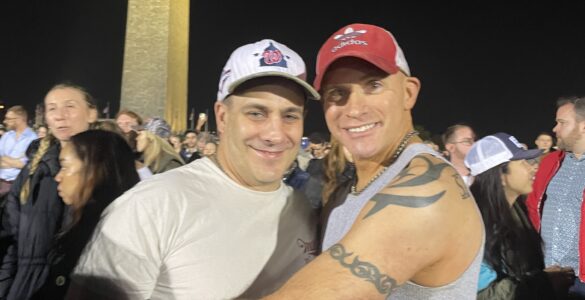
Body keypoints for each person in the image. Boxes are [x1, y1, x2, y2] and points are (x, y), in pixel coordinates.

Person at [68, 39, 320, 299]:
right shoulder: (151, 206)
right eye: (256, 113)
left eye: (290, 116)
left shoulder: (302, 209)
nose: (275, 134)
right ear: (222, 117)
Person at [266, 23, 484, 299]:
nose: (354, 109)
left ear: (408, 92)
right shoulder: (348, 189)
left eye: (374, 85)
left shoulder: (426, 192)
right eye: (337, 93)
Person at [0, 82, 97, 299]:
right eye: (52, 108)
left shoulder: (109, 170)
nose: (60, 116)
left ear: (92, 113)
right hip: (26, 290)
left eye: (70, 106)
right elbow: (10, 238)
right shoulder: (33, 170)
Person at [465, 132, 575, 299]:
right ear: (501, 176)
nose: (533, 167)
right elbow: (481, 294)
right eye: (523, 162)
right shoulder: (476, 225)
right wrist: (545, 282)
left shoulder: (516, 210)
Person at [32, 130, 139, 298]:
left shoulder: (109, 237)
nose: (58, 177)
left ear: (97, 169)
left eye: (65, 167)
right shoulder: (87, 222)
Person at [526, 96, 585, 299]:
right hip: (545, 274)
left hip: (581, 281)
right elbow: (533, 206)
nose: (555, 129)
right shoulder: (549, 162)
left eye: (562, 123)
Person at [0, 106, 37, 200]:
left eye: (9, 119)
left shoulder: (33, 139)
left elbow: (27, 165)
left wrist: (5, 159)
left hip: (19, 187)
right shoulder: (6, 136)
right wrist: (15, 161)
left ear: (20, 119)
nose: (5, 121)